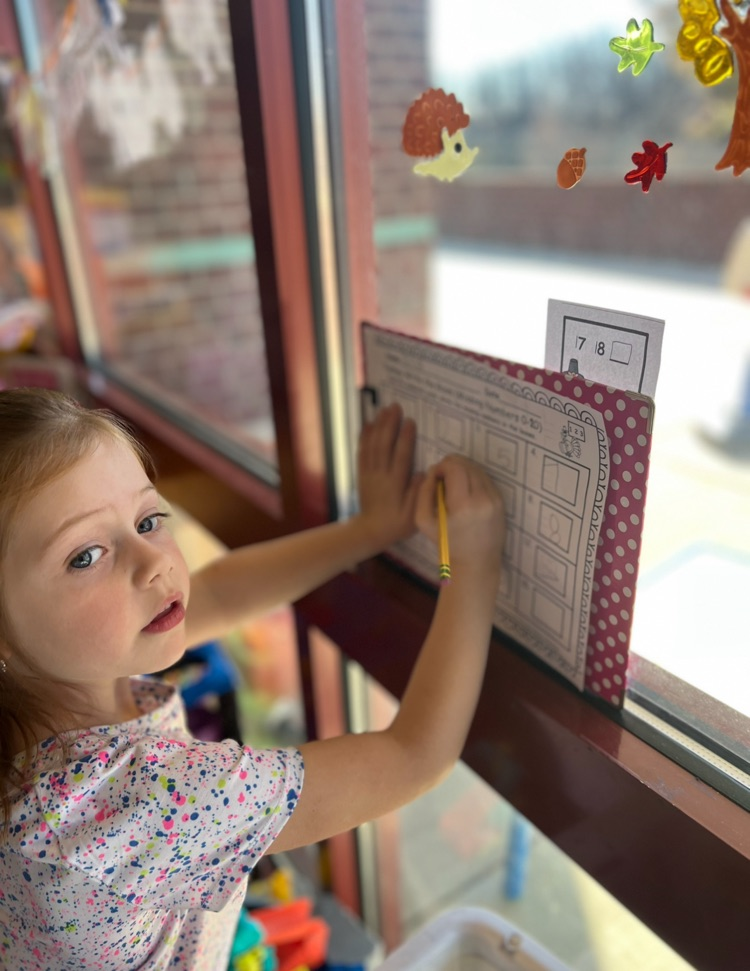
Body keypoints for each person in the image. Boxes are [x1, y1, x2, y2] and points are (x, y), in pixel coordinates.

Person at [0, 387, 506, 970]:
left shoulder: (56, 682)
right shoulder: (134, 799)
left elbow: (216, 592)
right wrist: (470, 565)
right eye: (85, 556)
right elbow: (413, 755)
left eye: (148, 519)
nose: (156, 563)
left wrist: (371, 530)